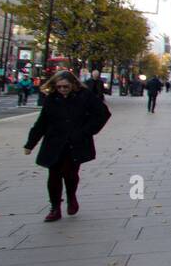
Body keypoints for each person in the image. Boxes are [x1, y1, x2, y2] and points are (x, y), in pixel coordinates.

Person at [23, 70, 111, 221]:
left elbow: (103, 113)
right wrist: (30, 144)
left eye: (66, 86)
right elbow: (42, 122)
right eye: (59, 87)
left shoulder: (85, 96)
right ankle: (55, 208)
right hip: (54, 142)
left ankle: (71, 197)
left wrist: (86, 131)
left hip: (75, 142)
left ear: (73, 85)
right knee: (54, 175)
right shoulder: (52, 99)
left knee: (71, 174)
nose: (62, 90)